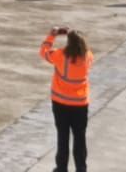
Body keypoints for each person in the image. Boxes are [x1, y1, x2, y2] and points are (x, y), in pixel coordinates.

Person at [39, 28, 92, 172]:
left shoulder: (60, 55)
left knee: (63, 136)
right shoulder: (88, 56)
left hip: (60, 103)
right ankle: (81, 168)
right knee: (79, 137)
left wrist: (52, 35)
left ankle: (61, 168)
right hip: (80, 104)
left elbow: (43, 51)